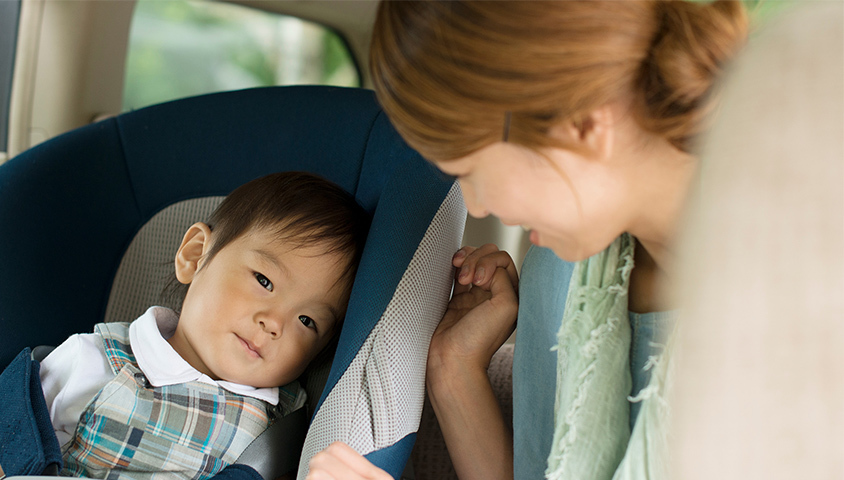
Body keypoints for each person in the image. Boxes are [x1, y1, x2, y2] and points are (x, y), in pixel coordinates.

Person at [306, 1, 748, 479]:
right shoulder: (560, 271)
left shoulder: (801, 285)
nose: (477, 206)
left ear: (582, 122)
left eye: (472, 171)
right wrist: (454, 370)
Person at [0, 171, 370, 480]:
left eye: (307, 320)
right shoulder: (97, 361)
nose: (275, 323)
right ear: (194, 255)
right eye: (264, 281)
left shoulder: (278, 426)